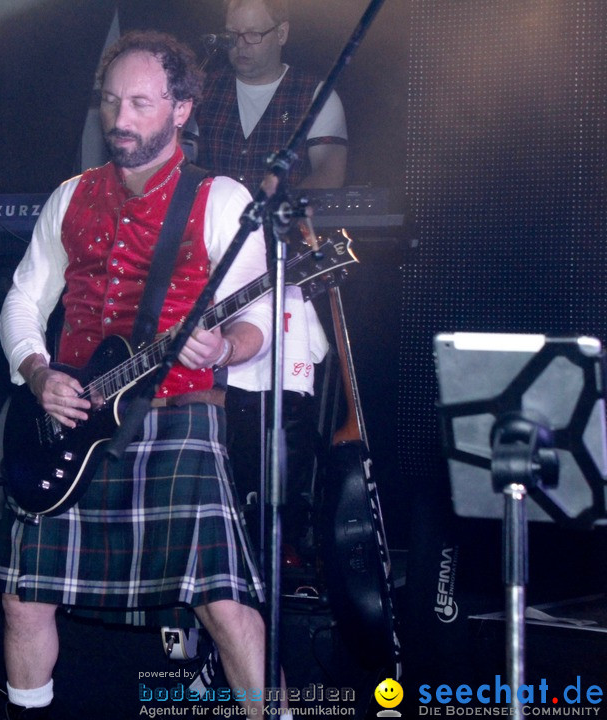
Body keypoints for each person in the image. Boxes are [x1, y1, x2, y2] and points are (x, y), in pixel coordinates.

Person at [0, 30, 275, 718]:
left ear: (181, 109)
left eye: (140, 103)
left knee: (225, 605)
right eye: (111, 101)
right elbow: (23, 301)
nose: (120, 119)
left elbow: (266, 316)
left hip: (177, 415)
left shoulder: (222, 199)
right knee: (23, 597)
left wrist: (226, 348)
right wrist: (36, 372)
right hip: (75, 415)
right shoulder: (71, 196)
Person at [194, 0, 344, 561]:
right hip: (205, 266)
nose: (241, 46)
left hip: (278, 269)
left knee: (280, 402)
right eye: (232, 35)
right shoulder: (200, 92)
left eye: (254, 35)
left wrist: (289, 193)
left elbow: (331, 174)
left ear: (282, 32)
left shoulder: (314, 93)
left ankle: (279, 533)